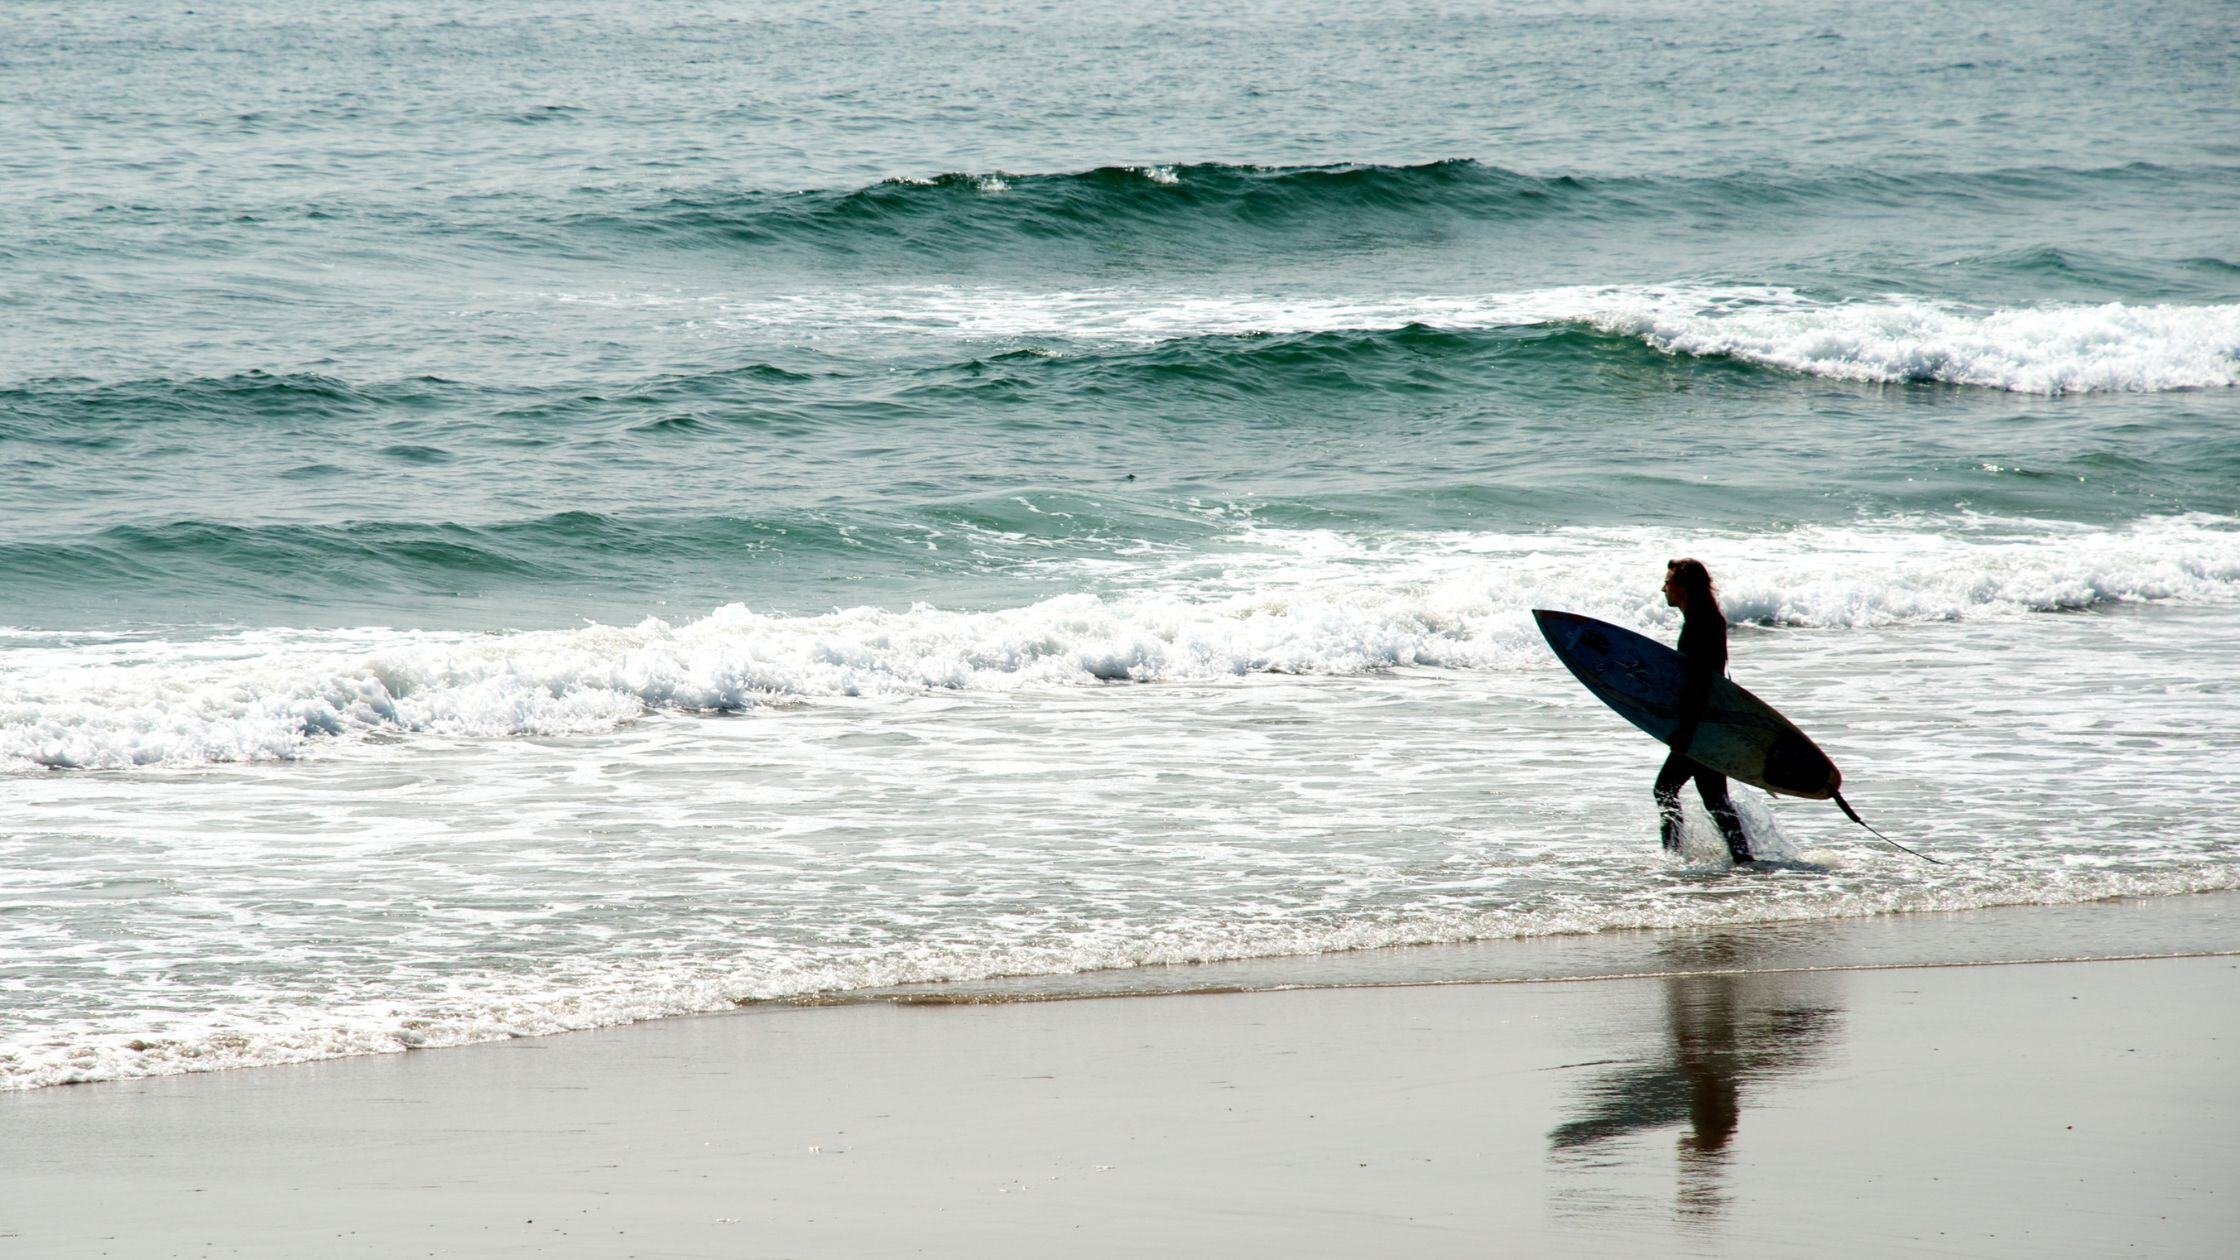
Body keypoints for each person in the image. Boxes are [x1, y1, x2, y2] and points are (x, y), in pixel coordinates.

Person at [1656, 558, 1754, 864]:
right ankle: (1743, 858)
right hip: (1709, 723)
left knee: (1665, 789)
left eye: (1668, 582)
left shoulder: (1701, 624)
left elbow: (1700, 683)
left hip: (1700, 724)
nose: (1663, 589)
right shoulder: (1704, 619)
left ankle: (1673, 858)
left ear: (1683, 588)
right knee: (1714, 798)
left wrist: (1686, 730)